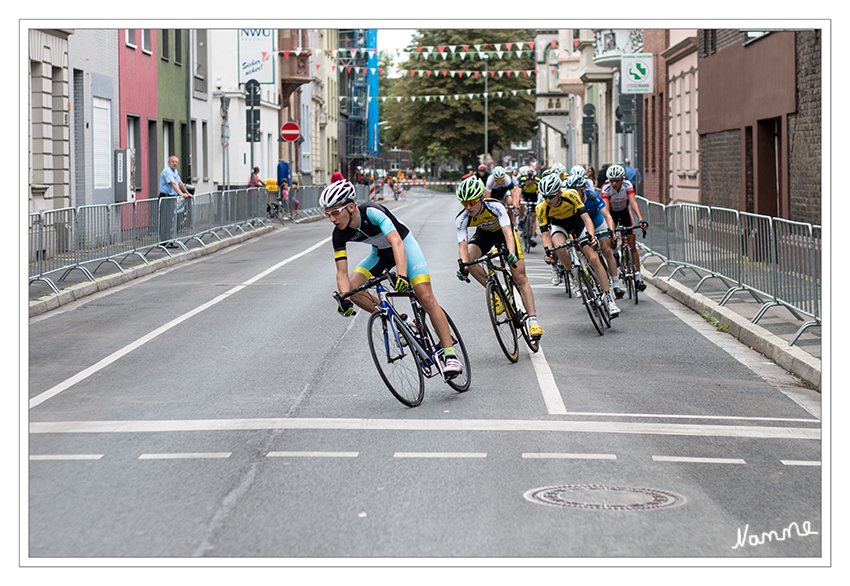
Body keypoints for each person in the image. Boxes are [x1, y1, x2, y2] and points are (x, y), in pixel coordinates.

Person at [322, 180, 463, 376]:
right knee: (354, 288)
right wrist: (345, 298)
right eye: (327, 213)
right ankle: (401, 322)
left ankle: (450, 355)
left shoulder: (371, 211)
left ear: (351, 206)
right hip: (380, 254)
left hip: (405, 246)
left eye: (335, 212)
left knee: (426, 297)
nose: (332, 218)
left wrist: (403, 276)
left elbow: (396, 242)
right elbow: (342, 273)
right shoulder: (338, 234)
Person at [454, 176, 544, 339]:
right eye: (464, 203)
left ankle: (533, 321)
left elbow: (508, 232)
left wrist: (510, 252)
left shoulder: (495, 206)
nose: (469, 207)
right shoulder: (462, 219)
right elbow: (462, 247)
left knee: (520, 277)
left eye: (472, 202)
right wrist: (464, 267)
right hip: (484, 235)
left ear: (482, 197)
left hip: (503, 234)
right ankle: (495, 292)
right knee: (469, 259)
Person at [536, 173, 620, 318]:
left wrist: (592, 238)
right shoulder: (541, 208)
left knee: (593, 259)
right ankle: (573, 276)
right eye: (545, 197)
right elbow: (545, 235)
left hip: (578, 223)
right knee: (559, 247)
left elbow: (587, 220)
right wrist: (548, 252)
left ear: (559, 193)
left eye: (551, 196)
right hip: (559, 226)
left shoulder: (572, 195)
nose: (547, 200)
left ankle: (609, 299)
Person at [564, 173, 622, 298]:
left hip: (596, 221)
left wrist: (611, 231)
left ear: (583, 190)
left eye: (574, 191)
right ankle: (593, 276)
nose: (572, 194)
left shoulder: (592, 197)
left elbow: (607, 216)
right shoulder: (570, 202)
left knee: (606, 250)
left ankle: (616, 284)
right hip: (582, 225)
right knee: (586, 253)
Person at [600, 164, 649, 291]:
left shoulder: (627, 185)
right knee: (612, 238)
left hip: (625, 213)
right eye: (612, 181)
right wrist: (611, 229)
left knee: (632, 245)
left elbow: (633, 203)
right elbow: (606, 211)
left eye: (617, 180)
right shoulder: (606, 188)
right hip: (612, 214)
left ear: (622, 179)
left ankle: (638, 279)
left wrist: (641, 219)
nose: (614, 183)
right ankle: (615, 253)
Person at [158, 155, 192, 248]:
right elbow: (173, 184)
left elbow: (180, 183)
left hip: (171, 198)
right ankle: (164, 242)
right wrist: (182, 194)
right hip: (165, 197)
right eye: (173, 162)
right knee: (165, 220)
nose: (175, 164)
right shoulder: (167, 171)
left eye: (176, 162)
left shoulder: (175, 171)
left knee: (170, 220)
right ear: (169, 162)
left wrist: (187, 193)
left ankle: (169, 241)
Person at [516, 166, 540, 247]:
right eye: (528, 179)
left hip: (533, 196)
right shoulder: (522, 182)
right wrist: (517, 203)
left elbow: (539, 193)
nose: (530, 181)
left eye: (532, 180)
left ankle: (532, 237)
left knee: (533, 217)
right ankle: (522, 218)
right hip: (524, 195)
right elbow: (518, 193)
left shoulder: (537, 182)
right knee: (521, 204)